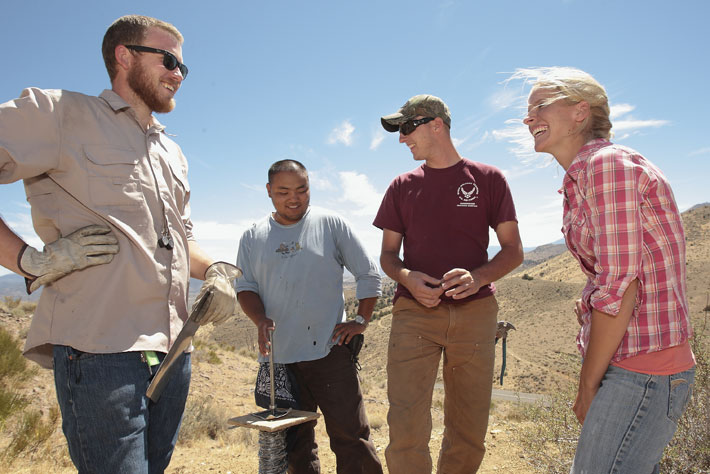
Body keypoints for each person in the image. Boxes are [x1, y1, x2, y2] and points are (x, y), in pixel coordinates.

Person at [0, 15, 240, 473]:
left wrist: (215, 270)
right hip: (99, 354)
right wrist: (28, 260)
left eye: (183, 68)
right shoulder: (59, 114)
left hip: (174, 351)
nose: (178, 74)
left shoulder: (171, 151)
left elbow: (179, 241)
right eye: (169, 60)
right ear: (123, 56)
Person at [518, 66, 695, 473]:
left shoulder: (607, 166)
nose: (529, 119)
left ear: (581, 111)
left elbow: (621, 285)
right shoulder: (583, 175)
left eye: (540, 106)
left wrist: (586, 386)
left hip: (644, 367)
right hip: (634, 361)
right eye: (527, 112)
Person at [374, 94, 524, 473]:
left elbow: (512, 251)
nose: (402, 138)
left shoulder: (489, 180)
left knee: (468, 426)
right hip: (414, 314)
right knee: (406, 425)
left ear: (436, 124)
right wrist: (408, 277)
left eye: (407, 128)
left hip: (475, 316)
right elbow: (388, 257)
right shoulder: (401, 186)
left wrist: (479, 278)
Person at [236, 159, 384, 474]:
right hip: (279, 360)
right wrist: (260, 319)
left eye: (301, 189)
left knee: (351, 437)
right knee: (294, 445)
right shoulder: (252, 236)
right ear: (268, 192)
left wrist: (362, 320)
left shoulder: (331, 224)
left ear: (309, 187)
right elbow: (245, 287)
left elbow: (369, 274)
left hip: (330, 352)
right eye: (283, 191)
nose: (294, 198)